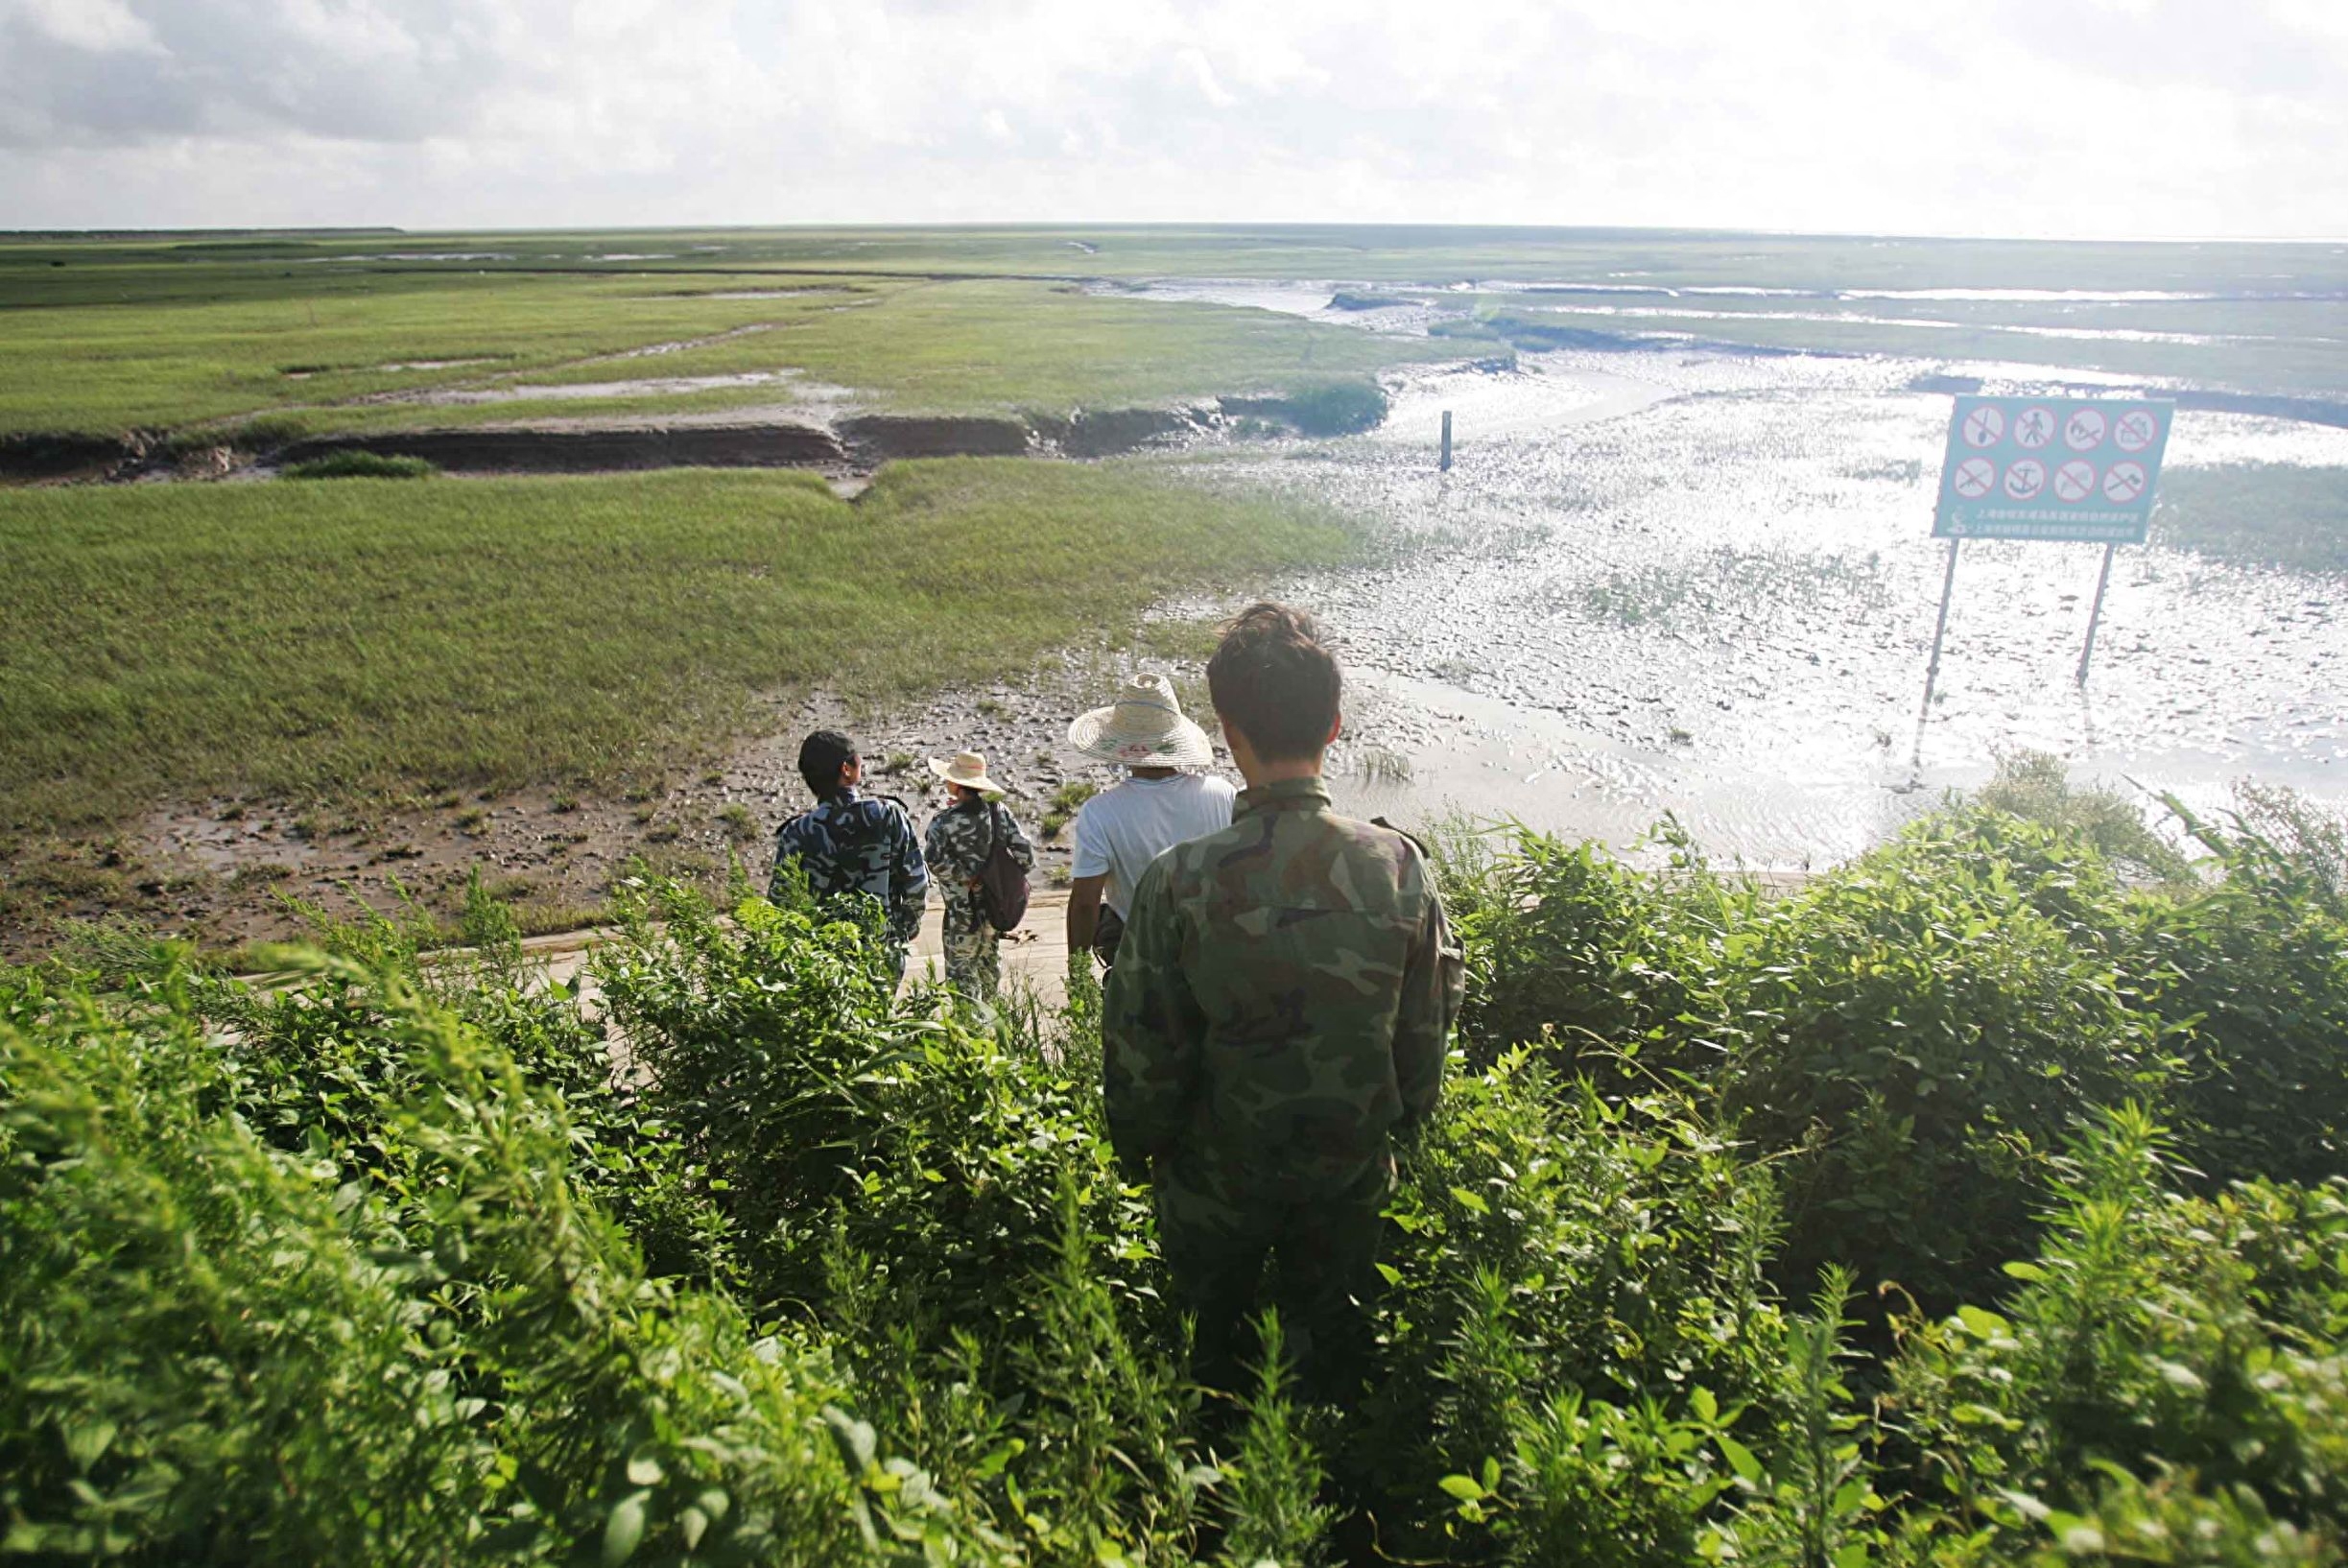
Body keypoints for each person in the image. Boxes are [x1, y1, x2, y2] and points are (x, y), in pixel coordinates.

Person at [1102, 604, 1461, 1398]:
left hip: (1210, 1182)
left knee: (1205, 1363)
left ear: (1226, 730)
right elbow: (1425, 1037)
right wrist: (1396, 1129)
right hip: (1350, 1177)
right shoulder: (1397, 866)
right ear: (1333, 726)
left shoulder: (1179, 879)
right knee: (1333, 1363)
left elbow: (1139, 1052)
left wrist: (1145, 1156)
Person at [1065, 673, 1236, 967]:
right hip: (1214, 957)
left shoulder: (1101, 812)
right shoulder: (1222, 794)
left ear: (1120, 745)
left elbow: (1084, 903)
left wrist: (1076, 976)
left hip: (1142, 964)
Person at [770, 729, 928, 985]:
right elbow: (916, 884)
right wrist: (903, 930)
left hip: (820, 963)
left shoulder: (796, 832)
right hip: (880, 954)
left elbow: (781, 903)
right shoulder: (887, 816)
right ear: (846, 769)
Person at [921, 749, 1035, 999]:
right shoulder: (999, 813)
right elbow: (1027, 857)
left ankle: (969, 1030)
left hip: (961, 913)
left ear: (956, 784)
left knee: (961, 976)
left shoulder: (943, 822)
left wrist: (965, 878)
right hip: (994, 908)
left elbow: (932, 860)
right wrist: (998, 877)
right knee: (989, 968)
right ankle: (995, 1029)